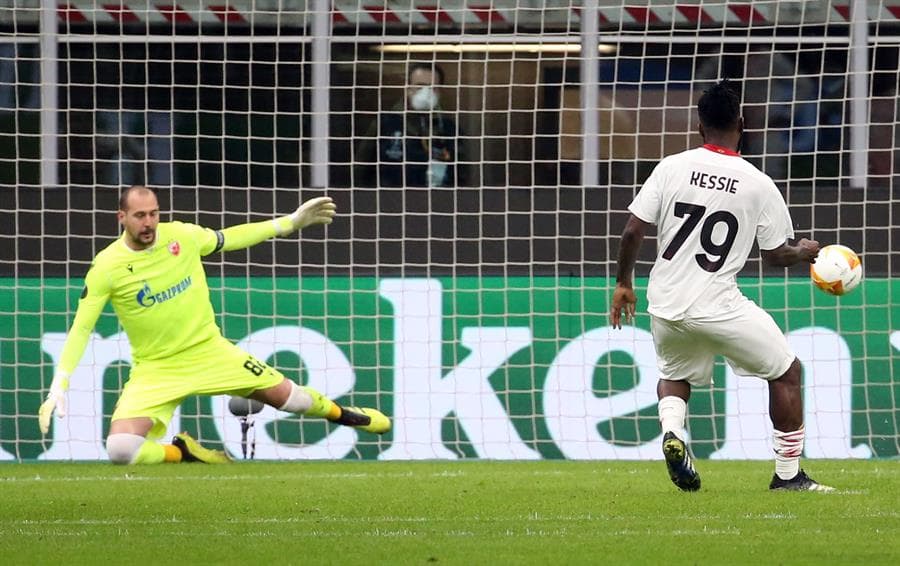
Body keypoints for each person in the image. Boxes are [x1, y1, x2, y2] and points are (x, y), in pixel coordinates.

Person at [38, 186, 390, 464]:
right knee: (121, 450)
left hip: (210, 352)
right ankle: (184, 453)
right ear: (122, 217)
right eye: (140, 216)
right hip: (157, 369)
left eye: (154, 213)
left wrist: (288, 224)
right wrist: (60, 382)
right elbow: (82, 327)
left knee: (294, 400)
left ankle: (345, 415)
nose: (149, 223)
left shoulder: (182, 237)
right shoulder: (107, 266)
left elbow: (230, 238)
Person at [609, 80, 832, 492]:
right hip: (717, 304)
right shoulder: (757, 182)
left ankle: (673, 433)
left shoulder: (671, 166)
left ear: (699, 127)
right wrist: (803, 251)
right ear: (742, 125)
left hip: (665, 301)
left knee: (674, 374)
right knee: (787, 372)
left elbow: (631, 232)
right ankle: (789, 476)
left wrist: (624, 284)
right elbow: (774, 256)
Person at [355, 62, 464, 188]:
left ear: (440, 92)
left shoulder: (448, 130)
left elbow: (461, 175)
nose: (426, 92)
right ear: (408, 89)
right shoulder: (384, 124)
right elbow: (360, 169)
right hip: (388, 202)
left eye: (432, 87)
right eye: (419, 86)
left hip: (437, 203)